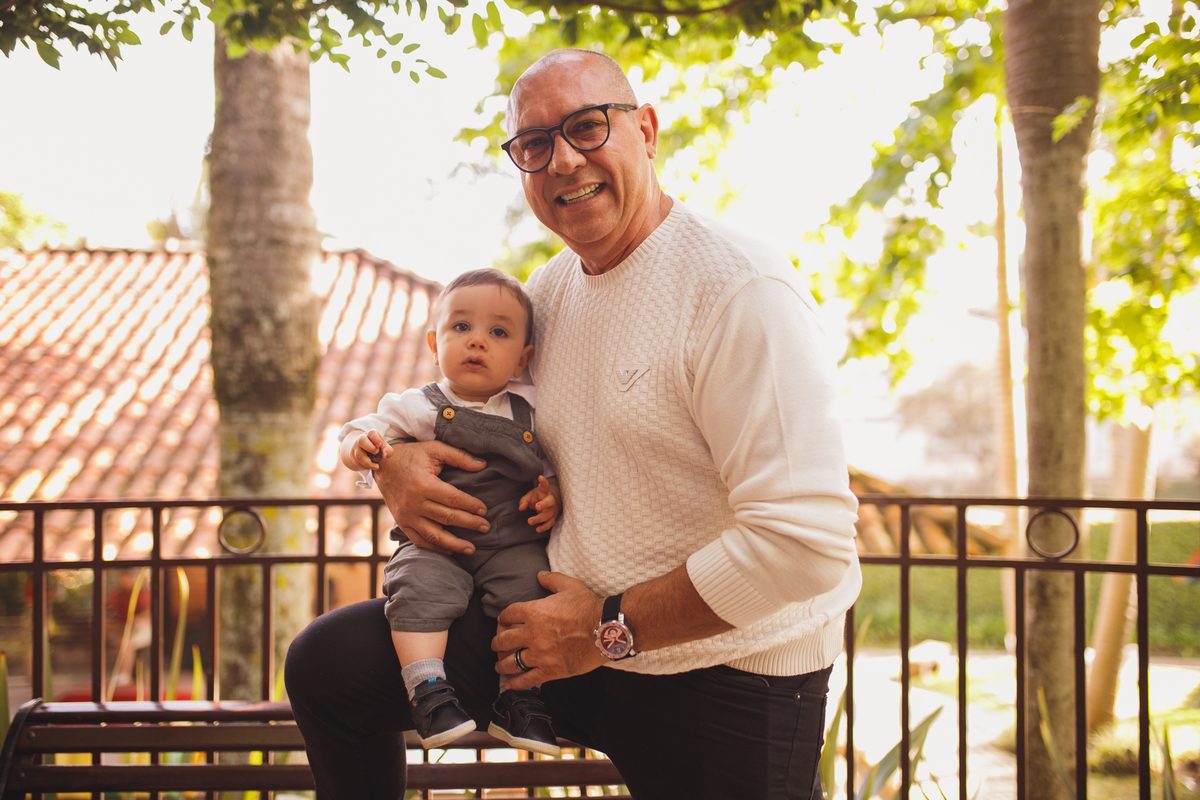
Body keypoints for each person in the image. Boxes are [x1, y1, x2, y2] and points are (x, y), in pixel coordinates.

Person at [285, 48, 861, 800]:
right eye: (534, 144)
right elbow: (457, 414)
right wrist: (389, 464)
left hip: (726, 673)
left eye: (588, 128)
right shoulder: (547, 295)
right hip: (563, 646)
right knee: (332, 668)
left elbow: (804, 546)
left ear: (646, 131)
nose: (562, 159)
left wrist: (604, 630)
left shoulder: (740, 292)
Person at [338, 268, 563, 756]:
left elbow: (557, 470)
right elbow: (357, 429)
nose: (477, 341)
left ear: (524, 358)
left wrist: (552, 494)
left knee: (530, 596)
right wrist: (363, 447)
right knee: (418, 587)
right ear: (434, 345)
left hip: (513, 541)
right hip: (436, 542)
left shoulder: (532, 411)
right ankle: (429, 693)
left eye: (497, 332)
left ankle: (520, 701)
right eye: (461, 327)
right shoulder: (419, 406)